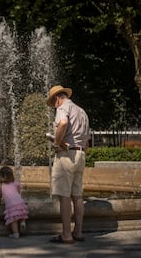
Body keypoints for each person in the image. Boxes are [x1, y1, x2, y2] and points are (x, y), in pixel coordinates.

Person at [46, 85, 90, 244]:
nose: (54, 107)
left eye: (53, 103)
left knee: (64, 196)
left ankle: (66, 234)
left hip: (66, 155)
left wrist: (57, 143)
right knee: (77, 195)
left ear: (57, 98)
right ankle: (78, 231)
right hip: (80, 154)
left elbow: (63, 123)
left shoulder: (63, 108)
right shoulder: (82, 111)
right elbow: (87, 140)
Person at [0, 166, 28, 239]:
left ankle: (16, 234)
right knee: (22, 213)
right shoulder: (16, 183)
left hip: (11, 205)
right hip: (20, 202)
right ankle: (23, 222)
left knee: (14, 220)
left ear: (0, 177)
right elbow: (18, 191)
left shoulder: (1, 187)